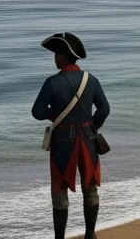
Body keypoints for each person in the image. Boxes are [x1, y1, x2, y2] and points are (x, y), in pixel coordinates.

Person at [32, 32, 111, 239]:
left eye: (56, 54)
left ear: (63, 56)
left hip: (62, 141)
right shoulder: (90, 80)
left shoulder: (52, 82)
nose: (54, 58)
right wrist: (93, 124)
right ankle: (90, 234)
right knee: (90, 188)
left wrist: (55, 115)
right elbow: (104, 109)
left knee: (60, 190)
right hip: (88, 139)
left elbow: (37, 112)